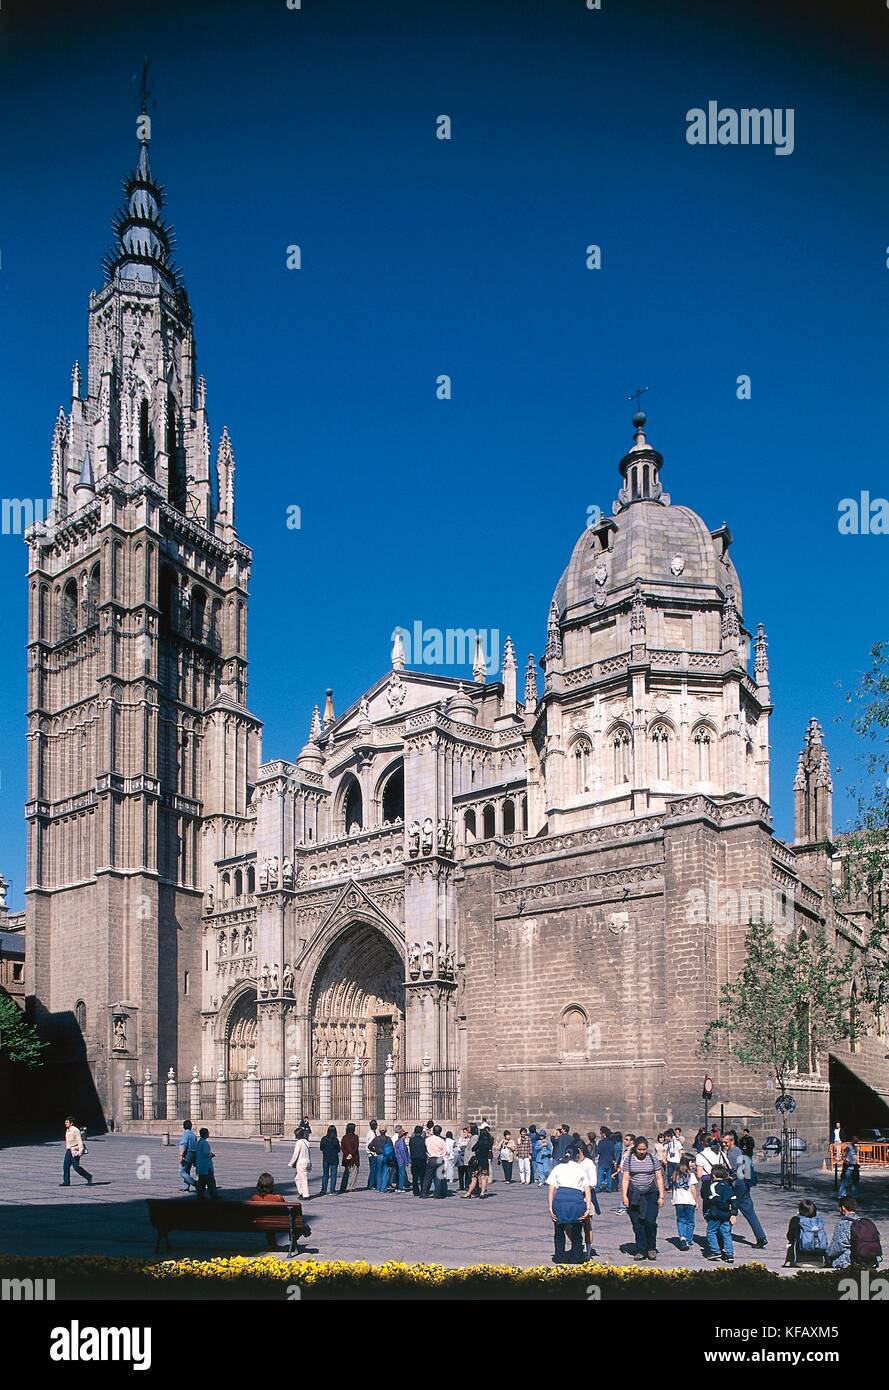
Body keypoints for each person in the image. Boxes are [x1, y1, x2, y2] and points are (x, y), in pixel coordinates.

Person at [621, 1135, 665, 1260]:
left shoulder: (652, 1159)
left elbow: (659, 1178)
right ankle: (641, 1249)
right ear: (635, 1149)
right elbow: (625, 1179)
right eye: (639, 1150)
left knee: (650, 1221)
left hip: (650, 1194)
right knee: (637, 1223)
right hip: (634, 1195)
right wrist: (624, 1196)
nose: (641, 1152)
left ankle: (651, 1247)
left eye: (644, 1149)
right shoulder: (629, 1160)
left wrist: (661, 1196)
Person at [546, 1145, 592, 1264]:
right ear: (577, 1155)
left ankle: (559, 1257)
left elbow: (551, 1189)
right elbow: (587, 1189)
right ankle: (576, 1258)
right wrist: (587, 1208)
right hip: (576, 1202)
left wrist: (550, 1208)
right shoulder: (580, 1168)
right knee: (577, 1233)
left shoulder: (558, 1167)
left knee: (559, 1232)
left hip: (560, 1201)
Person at [721, 1132, 768, 1248]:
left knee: (730, 1210)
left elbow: (734, 1171)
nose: (723, 1144)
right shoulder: (737, 1151)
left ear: (732, 1141)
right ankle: (761, 1237)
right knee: (750, 1212)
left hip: (737, 1185)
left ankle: (723, 1237)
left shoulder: (733, 1153)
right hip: (743, 1184)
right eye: (723, 1142)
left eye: (726, 1142)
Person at [827, 1198, 883, 1270]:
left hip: (850, 1261)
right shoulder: (865, 1223)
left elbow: (838, 1246)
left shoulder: (843, 1224)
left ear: (843, 1207)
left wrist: (828, 1254)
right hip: (870, 1260)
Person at [701, 1163, 738, 1262]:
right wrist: (733, 1213)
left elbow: (712, 1199)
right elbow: (734, 1199)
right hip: (727, 1214)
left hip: (716, 1213)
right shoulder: (727, 1186)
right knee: (726, 1233)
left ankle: (715, 1251)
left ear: (713, 1175)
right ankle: (729, 1254)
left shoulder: (712, 1186)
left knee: (711, 1231)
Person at [248, 1172, 290, 1250]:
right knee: (296, 1222)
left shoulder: (254, 1198)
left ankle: (272, 1244)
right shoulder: (278, 1198)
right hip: (277, 1224)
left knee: (268, 1221)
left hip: (259, 1223)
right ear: (271, 1186)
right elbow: (289, 1210)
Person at [784, 1199, 829, 1267]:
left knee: (792, 1243)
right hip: (819, 1259)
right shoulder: (819, 1221)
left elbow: (790, 1236)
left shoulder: (796, 1219)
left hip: (799, 1260)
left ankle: (788, 1263)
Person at [671, 1156, 698, 1250]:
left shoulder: (675, 1174)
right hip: (689, 1200)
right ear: (687, 1163)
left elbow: (674, 1188)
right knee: (690, 1221)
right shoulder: (691, 1175)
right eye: (692, 1162)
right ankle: (689, 1240)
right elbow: (693, 1189)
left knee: (681, 1220)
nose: (694, 1164)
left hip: (678, 1200)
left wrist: (673, 1199)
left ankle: (682, 1237)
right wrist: (696, 1200)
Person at [60, 1117, 93, 1187]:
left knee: (76, 1167)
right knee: (65, 1166)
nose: (65, 1123)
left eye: (67, 1122)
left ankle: (88, 1176)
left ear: (71, 1123)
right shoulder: (68, 1130)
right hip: (69, 1150)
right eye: (65, 1122)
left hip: (75, 1149)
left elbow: (79, 1141)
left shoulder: (75, 1130)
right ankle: (66, 1182)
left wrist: (80, 1151)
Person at [463, 1123, 493, 1198]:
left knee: (474, 1178)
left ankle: (468, 1193)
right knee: (483, 1178)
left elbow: (473, 1148)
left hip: (478, 1162)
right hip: (485, 1162)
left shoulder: (479, 1142)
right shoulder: (488, 1143)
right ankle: (482, 1193)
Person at [423, 1124, 448, 1197]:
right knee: (438, 1177)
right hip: (440, 1158)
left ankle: (424, 1192)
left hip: (431, 1158)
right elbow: (444, 1152)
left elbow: (425, 1149)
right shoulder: (442, 1141)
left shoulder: (427, 1140)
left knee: (428, 1177)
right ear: (440, 1132)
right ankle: (437, 1193)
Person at [195, 1127, 220, 1200]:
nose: (209, 1134)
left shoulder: (199, 1142)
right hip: (206, 1166)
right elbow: (206, 1153)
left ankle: (200, 1195)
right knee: (210, 1181)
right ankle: (213, 1195)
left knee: (201, 1182)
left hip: (201, 1166)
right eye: (208, 1133)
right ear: (206, 1134)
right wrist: (211, 1155)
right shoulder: (205, 1143)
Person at [289, 1124, 311, 1199]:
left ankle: (306, 1195)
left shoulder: (299, 1142)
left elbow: (296, 1154)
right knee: (297, 1178)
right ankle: (301, 1192)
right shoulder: (306, 1142)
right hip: (306, 1161)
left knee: (303, 1178)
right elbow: (308, 1153)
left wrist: (291, 1163)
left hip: (301, 1162)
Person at [177, 1119, 199, 1192]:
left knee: (181, 1171)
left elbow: (183, 1145)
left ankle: (195, 1183)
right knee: (187, 1170)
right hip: (193, 1154)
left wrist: (181, 1155)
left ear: (183, 1126)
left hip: (187, 1154)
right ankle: (185, 1186)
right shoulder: (193, 1134)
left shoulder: (185, 1134)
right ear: (191, 1126)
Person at [319, 1125, 340, 1196]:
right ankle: (332, 1190)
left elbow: (321, 1148)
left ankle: (323, 1190)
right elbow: (338, 1150)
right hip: (334, 1159)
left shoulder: (324, 1139)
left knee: (325, 1174)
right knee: (333, 1175)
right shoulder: (335, 1140)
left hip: (325, 1158)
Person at [339, 1122, 360, 1192]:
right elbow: (356, 1147)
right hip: (354, 1157)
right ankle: (352, 1187)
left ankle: (343, 1187)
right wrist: (351, 1154)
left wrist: (347, 1154)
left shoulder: (344, 1137)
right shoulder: (356, 1137)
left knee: (346, 1173)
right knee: (354, 1172)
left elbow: (342, 1147)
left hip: (346, 1157)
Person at [409, 1124, 428, 1196]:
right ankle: (423, 1190)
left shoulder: (412, 1140)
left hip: (414, 1159)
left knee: (415, 1177)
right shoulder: (423, 1141)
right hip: (422, 1160)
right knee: (422, 1176)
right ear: (421, 1132)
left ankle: (415, 1191)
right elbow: (426, 1150)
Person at [376, 1126, 395, 1192]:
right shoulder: (388, 1139)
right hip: (386, 1156)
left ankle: (378, 1188)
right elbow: (392, 1148)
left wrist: (375, 1150)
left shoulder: (377, 1138)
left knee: (379, 1172)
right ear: (386, 1131)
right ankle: (383, 1188)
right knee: (386, 1172)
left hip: (379, 1156)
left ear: (379, 1131)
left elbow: (369, 1146)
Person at [595, 1128, 615, 1192]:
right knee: (608, 1175)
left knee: (600, 1175)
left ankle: (598, 1187)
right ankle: (609, 1188)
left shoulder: (601, 1142)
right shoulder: (611, 1142)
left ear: (603, 1134)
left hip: (602, 1160)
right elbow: (612, 1151)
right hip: (609, 1160)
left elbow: (598, 1151)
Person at [364, 1119, 379, 1190]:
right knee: (373, 1169)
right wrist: (374, 1152)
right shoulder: (372, 1134)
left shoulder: (369, 1132)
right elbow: (371, 1145)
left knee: (373, 1169)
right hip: (372, 1154)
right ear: (375, 1126)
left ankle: (371, 1183)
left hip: (370, 1154)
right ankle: (371, 1184)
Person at [394, 1127, 410, 1192]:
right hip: (401, 1160)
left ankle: (398, 1187)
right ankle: (400, 1187)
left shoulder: (397, 1141)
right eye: (404, 1135)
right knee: (401, 1174)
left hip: (397, 1159)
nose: (405, 1136)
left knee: (398, 1173)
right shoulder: (401, 1142)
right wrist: (407, 1161)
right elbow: (403, 1152)